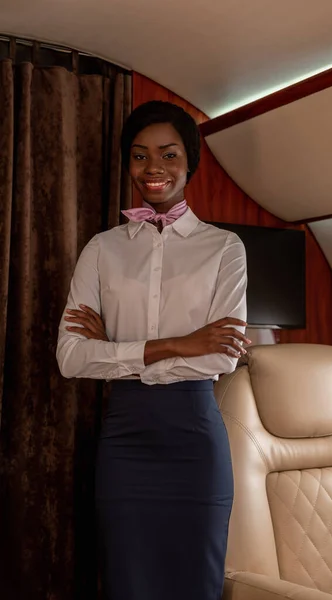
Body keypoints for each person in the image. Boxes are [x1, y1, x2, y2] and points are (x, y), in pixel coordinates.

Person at [56, 100, 249, 600]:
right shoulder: (102, 248)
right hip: (126, 437)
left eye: (168, 154)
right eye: (140, 156)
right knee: (128, 584)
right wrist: (180, 343)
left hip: (195, 438)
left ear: (190, 163)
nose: (153, 169)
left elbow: (221, 357)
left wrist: (115, 349)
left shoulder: (225, 248)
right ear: (128, 164)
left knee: (196, 584)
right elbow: (71, 356)